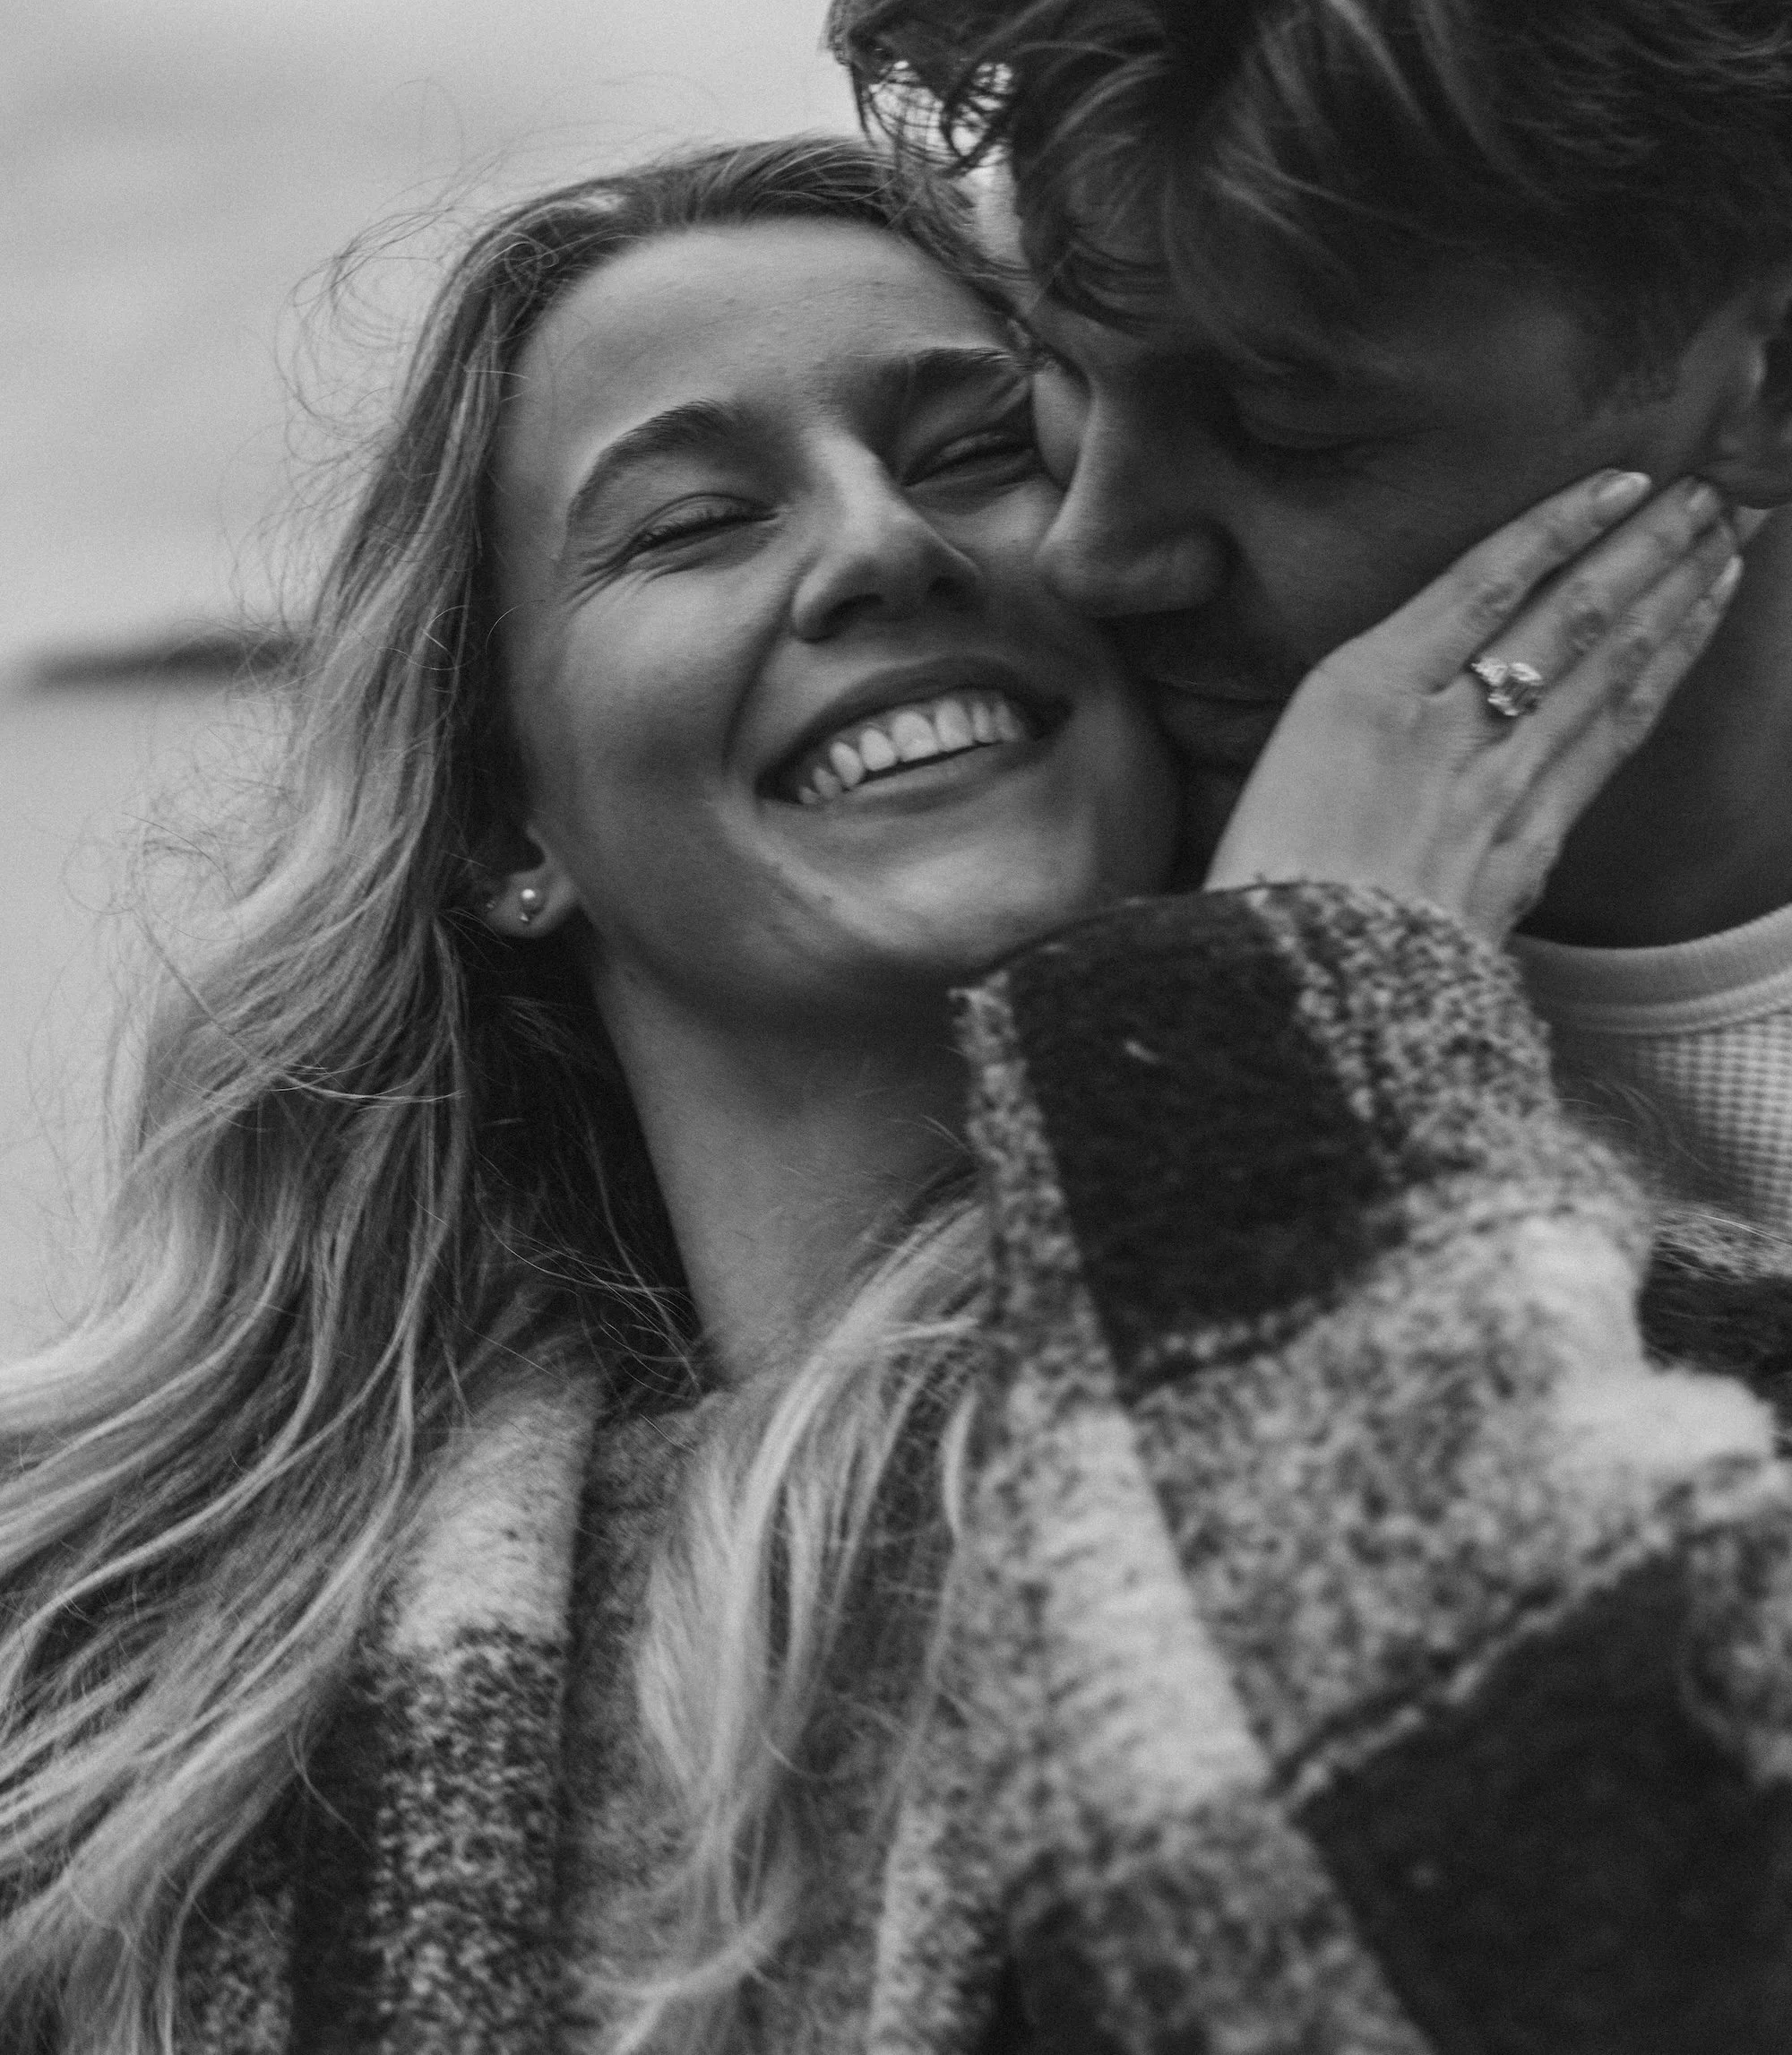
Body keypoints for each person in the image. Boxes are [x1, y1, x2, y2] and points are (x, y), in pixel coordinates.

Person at [0, 134, 1777, 2055]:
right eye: (689, 522)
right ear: (511, 819)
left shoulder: (1676, 1385)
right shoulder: (144, 1666)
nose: (878, 544)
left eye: (966, 453)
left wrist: (1297, 1035)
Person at [831, 0, 1792, 1234]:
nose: (1095, 547)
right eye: (1050, 359)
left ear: (1762, 381)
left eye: (1287, 424)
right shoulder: (993, 903)